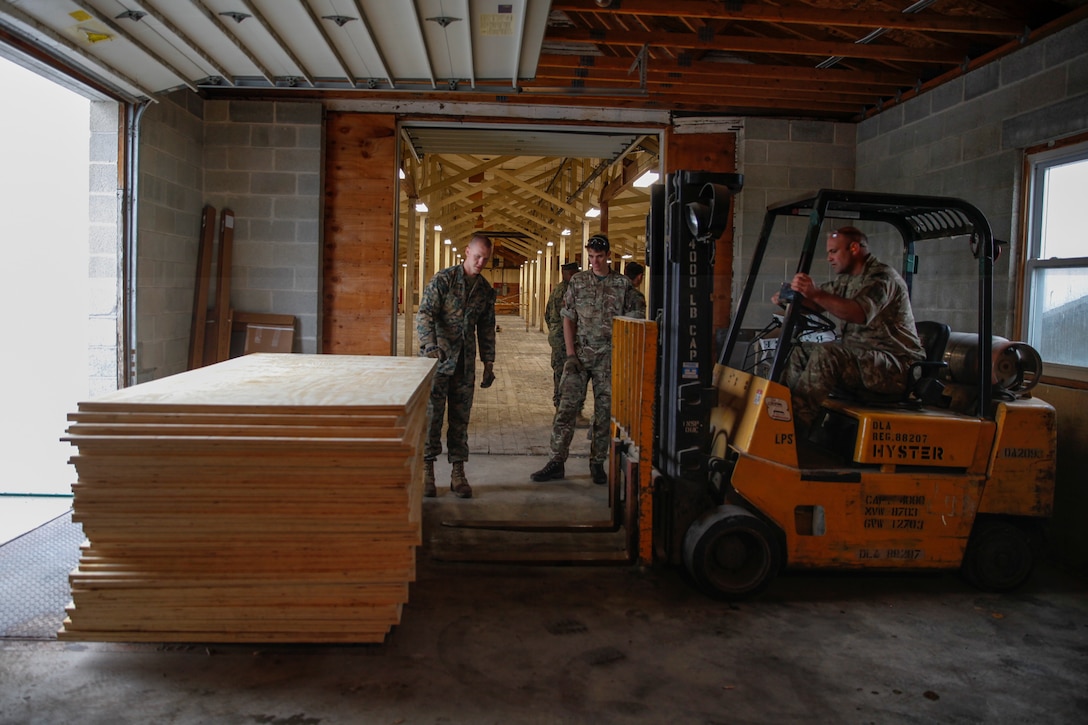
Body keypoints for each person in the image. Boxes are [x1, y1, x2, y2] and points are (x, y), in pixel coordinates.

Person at [772, 226, 924, 429]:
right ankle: (777, 418)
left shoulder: (882, 278)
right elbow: (818, 302)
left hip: (894, 366)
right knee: (800, 351)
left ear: (854, 248)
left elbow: (858, 313)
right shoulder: (847, 280)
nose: (829, 258)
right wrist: (791, 299)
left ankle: (793, 430)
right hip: (863, 359)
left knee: (828, 353)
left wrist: (816, 294)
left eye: (833, 251)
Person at [531, 234, 646, 485]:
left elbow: (636, 318)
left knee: (604, 412)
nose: (594, 262)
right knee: (566, 408)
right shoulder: (579, 282)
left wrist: (624, 356)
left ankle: (597, 462)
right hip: (580, 355)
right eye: (591, 257)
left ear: (608, 256)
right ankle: (556, 461)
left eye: (599, 257)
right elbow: (568, 318)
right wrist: (570, 355)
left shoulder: (622, 285)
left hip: (609, 356)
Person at [417, 234, 497, 499]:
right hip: (437, 362)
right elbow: (425, 313)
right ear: (466, 252)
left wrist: (488, 362)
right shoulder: (444, 280)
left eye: (485, 258)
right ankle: (427, 471)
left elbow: (486, 328)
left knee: (460, 420)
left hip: (464, 364)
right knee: (431, 418)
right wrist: (429, 345)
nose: (481, 262)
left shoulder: (484, 290)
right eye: (477, 256)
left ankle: (457, 473)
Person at [545, 262, 580, 409]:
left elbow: (547, 314)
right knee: (565, 372)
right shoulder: (567, 291)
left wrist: (553, 331)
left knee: (559, 371)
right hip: (564, 340)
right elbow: (569, 318)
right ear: (568, 274)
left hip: (557, 338)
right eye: (573, 273)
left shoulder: (557, 290)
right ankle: (561, 405)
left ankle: (559, 403)